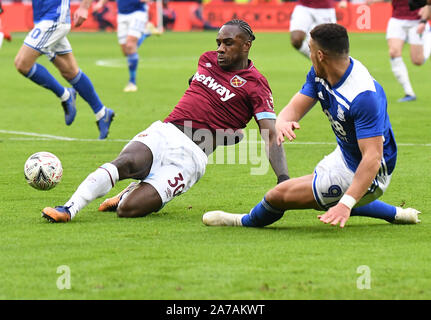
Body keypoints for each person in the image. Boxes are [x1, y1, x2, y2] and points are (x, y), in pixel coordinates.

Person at [41, 19, 290, 223]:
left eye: (228, 43)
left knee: (128, 210)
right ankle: (68, 209)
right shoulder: (207, 60)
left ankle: (129, 192)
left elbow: (269, 133)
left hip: (192, 158)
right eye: (218, 43)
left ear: (246, 46)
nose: (220, 49)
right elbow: (197, 88)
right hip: (165, 132)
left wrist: (283, 180)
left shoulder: (256, 85)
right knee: (125, 162)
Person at [203, 23, 421, 229]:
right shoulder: (322, 73)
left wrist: (345, 204)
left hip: (370, 170)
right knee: (323, 196)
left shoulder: (363, 96)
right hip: (346, 154)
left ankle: (242, 221)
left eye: (309, 49)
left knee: (278, 195)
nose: (308, 55)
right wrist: (283, 121)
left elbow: (372, 157)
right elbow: (296, 107)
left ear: (320, 55)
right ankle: (398, 214)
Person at [14, 0, 115, 139]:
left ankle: (65, 95)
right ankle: (102, 113)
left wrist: (84, 7)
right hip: (43, 17)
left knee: (22, 63)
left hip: (54, 17)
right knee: (70, 71)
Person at [367, 0, 431, 102]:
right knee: (393, 52)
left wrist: (424, 20)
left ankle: (429, 38)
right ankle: (409, 92)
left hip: (417, 21)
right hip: (397, 20)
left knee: (417, 61)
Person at [94, 0, 161, 92]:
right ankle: (146, 33)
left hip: (137, 13)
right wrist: (101, 3)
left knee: (130, 45)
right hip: (122, 15)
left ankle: (132, 82)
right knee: (126, 52)